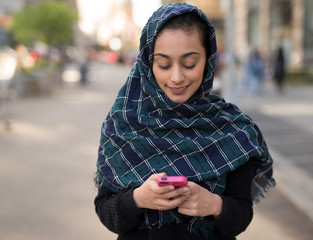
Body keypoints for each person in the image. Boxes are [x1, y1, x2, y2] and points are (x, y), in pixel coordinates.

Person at [94, 3, 275, 240]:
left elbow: (241, 216)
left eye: (189, 63)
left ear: (208, 60)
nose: (177, 77)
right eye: (164, 64)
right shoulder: (122, 124)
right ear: (148, 63)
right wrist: (138, 199)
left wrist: (214, 205)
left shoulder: (233, 130)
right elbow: (106, 213)